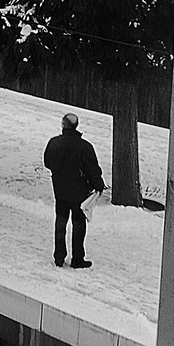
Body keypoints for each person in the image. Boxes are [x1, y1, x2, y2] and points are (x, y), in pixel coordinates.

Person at [43, 112, 107, 269]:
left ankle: (59, 256)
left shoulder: (54, 143)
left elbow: (47, 162)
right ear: (76, 126)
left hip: (60, 191)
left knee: (60, 222)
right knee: (78, 225)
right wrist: (98, 185)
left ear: (63, 125)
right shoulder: (85, 147)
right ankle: (77, 258)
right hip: (79, 193)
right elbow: (93, 170)